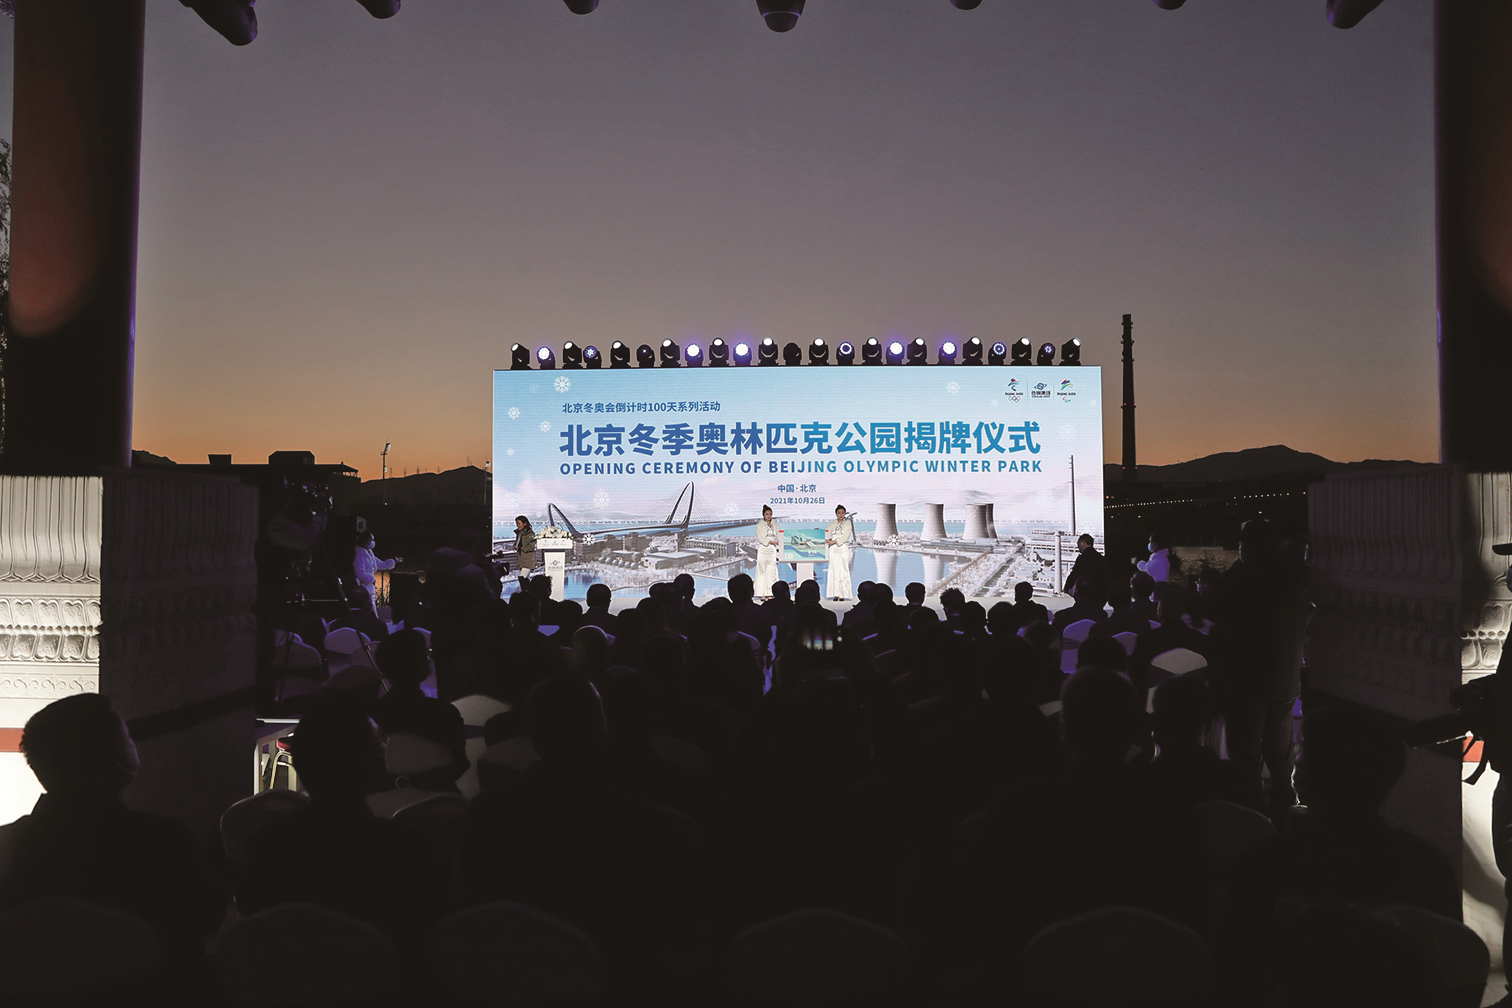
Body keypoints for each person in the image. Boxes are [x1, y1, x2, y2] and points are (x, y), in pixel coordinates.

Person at [0, 695, 225, 999]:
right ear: (116, 756)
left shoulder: (6, 846)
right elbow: (205, 918)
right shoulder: (165, 842)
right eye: (127, 738)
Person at [238, 698, 447, 950]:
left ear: (297, 763)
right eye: (382, 744)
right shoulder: (410, 851)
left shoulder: (265, 849)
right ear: (372, 765)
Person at [1210, 518, 1311, 823]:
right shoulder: (1297, 578)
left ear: (1250, 548)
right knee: (1280, 756)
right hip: (1285, 679)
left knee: (1246, 756)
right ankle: (1284, 812)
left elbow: (1220, 611)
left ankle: (1253, 818)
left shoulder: (1243, 581)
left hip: (1248, 681)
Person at [353, 531, 400, 617]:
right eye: (371, 539)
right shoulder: (360, 556)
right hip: (363, 588)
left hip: (369, 587)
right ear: (365, 541)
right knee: (369, 610)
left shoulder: (370, 554)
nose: (373, 542)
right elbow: (359, 573)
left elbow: (381, 564)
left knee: (372, 609)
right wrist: (371, 579)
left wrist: (394, 561)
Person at [1062, 533, 1109, 607]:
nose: (1077, 546)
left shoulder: (1082, 558)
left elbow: (1075, 574)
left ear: (1082, 543)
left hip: (1085, 594)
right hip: (1098, 595)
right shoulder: (1101, 558)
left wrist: (1067, 588)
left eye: (1078, 544)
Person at [824, 504, 854, 601]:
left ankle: (843, 594)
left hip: (842, 547)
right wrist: (827, 540)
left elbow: (845, 536)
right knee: (833, 569)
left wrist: (834, 541)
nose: (841, 515)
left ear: (845, 514)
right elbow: (827, 533)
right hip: (833, 549)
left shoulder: (848, 523)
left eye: (842, 513)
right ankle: (835, 594)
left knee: (843, 569)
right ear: (836, 514)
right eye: (839, 513)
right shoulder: (832, 523)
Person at [755, 506, 782, 599]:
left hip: (772, 549)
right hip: (763, 548)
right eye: (767, 514)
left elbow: (780, 535)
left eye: (770, 514)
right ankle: (762, 593)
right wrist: (771, 542)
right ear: (763, 515)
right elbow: (760, 538)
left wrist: (778, 542)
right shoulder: (760, 525)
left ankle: (770, 592)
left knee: (771, 570)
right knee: (762, 571)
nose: (769, 516)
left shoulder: (776, 525)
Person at [512, 515, 537, 587]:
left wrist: (520, 547)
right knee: (526, 580)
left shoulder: (530, 534)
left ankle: (526, 592)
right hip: (521, 560)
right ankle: (528, 592)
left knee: (522, 578)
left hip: (527, 560)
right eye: (517, 523)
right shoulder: (520, 533)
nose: (518, 525)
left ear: (525, 523)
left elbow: (531, 547)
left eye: (519, 523)